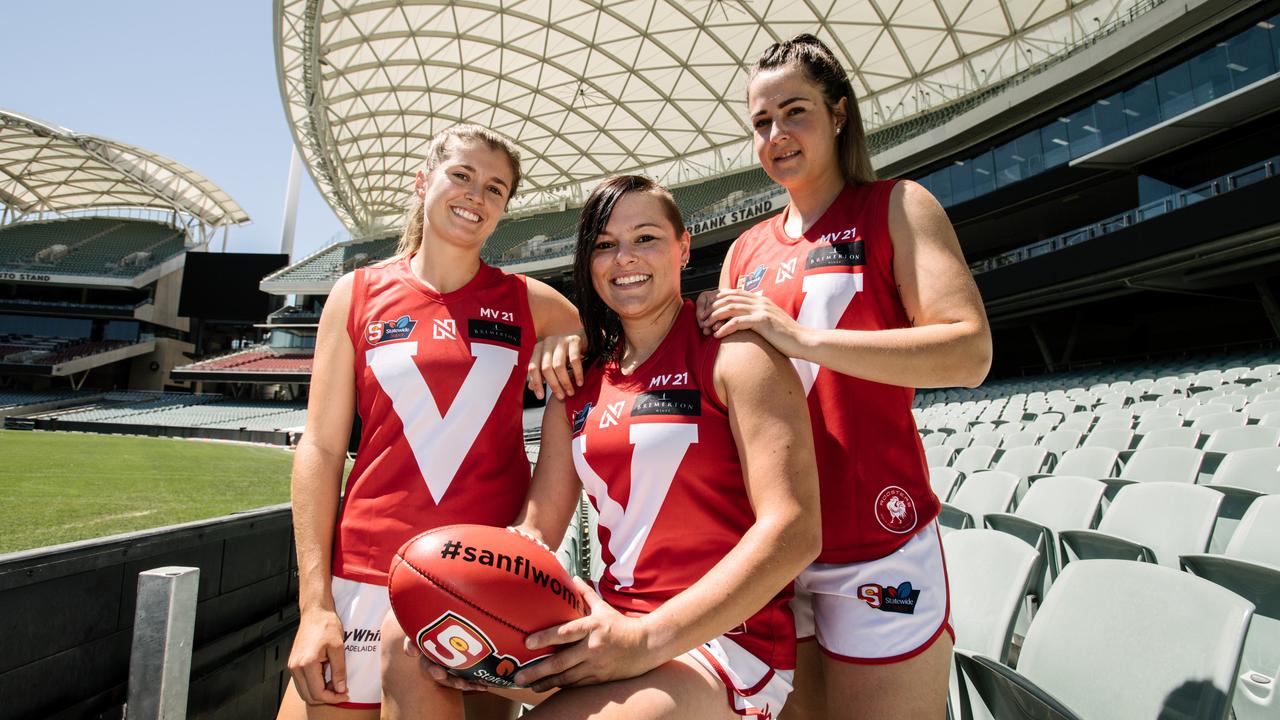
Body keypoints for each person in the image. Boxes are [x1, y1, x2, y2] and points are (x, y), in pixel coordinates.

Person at [380, 174, 822, 720]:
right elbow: (538, 530)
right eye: (605, 245)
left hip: (717, 640)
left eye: (646, 238)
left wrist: (645, 640)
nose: (624, 258)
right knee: (409, 639)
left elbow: (795, 530)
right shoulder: (578, 382)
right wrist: (469, 597)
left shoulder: (734, 353)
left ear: (684, 247)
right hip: (607, 622)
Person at [696, 34, 992, 719]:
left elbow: (969, 352)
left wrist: (801, 336)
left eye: (794, 112)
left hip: (876, 542)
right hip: (774, 550)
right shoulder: (745, 250)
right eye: (761, 123)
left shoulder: (896, 206)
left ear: (838, 114)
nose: (776, 134)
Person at [279, 124, 581, 720]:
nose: (477, 195)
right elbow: (319, 446)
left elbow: (602, 352)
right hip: (363, 574)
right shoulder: (356, 294)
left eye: (496, 188)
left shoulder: (534, 303)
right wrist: (315, 605)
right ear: (424, 182)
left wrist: (565, 339)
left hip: (479, 587)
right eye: (462, 175)